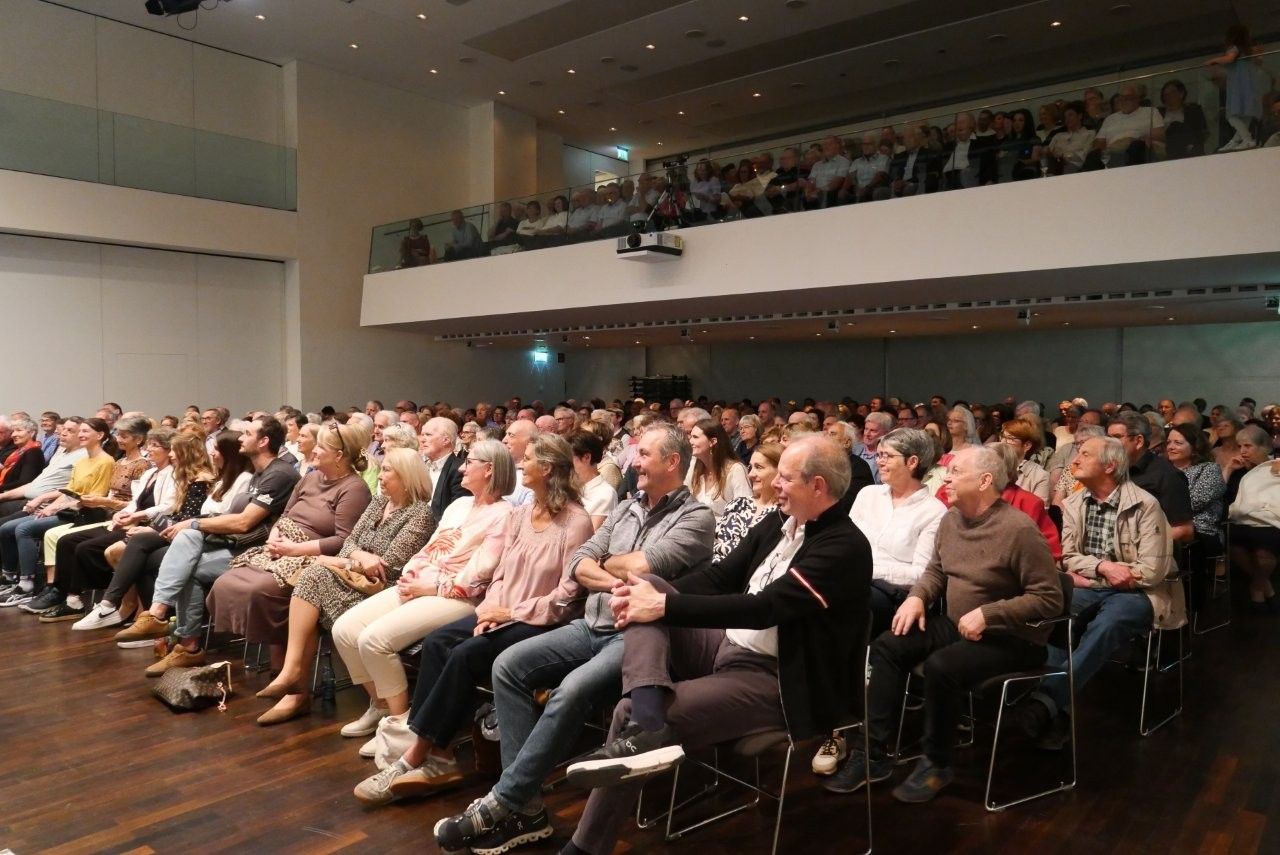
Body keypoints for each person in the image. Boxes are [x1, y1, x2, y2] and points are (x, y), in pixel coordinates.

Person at [558, 436, 870, 855]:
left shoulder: (844, 546)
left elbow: (764, 609)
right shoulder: (779, 522)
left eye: (785, 477)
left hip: (776, 680)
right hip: (725, 646)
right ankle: (651, 724)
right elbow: (720, 578)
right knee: (645, 585)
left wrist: (664, 606)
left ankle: (585, 845)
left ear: (818, 486)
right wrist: (655, 600)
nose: (774, 483)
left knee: (626, 707)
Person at [432, 423, 714, 854]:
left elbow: (645, 565)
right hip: (591, 624)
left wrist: (610, 564)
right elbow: (580, 562)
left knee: (570, 691)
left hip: (638, 637)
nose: (633, 462)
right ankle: (526, 809)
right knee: (507, 666)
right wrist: (614, 574)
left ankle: (503, 803)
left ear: (673, 462)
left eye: (644, 455)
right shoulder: (626, 507)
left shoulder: (696, 517)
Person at [352, 434, 594, 804]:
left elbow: (567, 597)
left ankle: (415, 756)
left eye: (526, 459)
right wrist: (487, 612)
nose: (519, 465)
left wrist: (509, 613)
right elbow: (499, 576)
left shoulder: (575, 522)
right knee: (438, 642)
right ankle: (443, 754)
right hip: (499, 610)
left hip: (540, 620)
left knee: (465, 655)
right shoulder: (521, 514)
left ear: (546, 469)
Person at [824, 446, 1061, 801]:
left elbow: (1050, 598)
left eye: (954, 473)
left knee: (941, 667)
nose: (945, 478)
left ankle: (936, 763)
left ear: (984, 481)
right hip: (958, 624)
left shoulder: (1018, 529)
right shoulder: (952, 519)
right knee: (888, 647)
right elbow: (936, 569)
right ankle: (871, 754)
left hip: (1013, 638)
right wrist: (918, 596)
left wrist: (989, 614)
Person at [331, 440, 513, 755]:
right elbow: (429, 548)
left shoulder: (506, 514)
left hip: (457, 597)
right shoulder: (458, 506)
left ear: (490, 469)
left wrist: (431, 587)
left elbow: (480, 573)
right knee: (345, 630)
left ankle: (399, 726)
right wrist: (411, 574)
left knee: (374, 640)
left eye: (469, 462)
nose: (460, 468)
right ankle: (382, 707)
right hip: (422, 584)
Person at [1014, 436, 1182, 748]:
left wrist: (1091, 574)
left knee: (1108, 624)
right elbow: (1067, 557)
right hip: (1096, 584)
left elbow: (1151, 571)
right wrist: (1104, 568)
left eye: (1085, 454)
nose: (1074, 460)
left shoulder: (1145, 505)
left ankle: (1046, 701)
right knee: (1058, 615)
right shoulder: (1075, 503)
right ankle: (1054, 711)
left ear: (1110, 465)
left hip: (1139, 593)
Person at [253, 448, 435, 726]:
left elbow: (388, 567)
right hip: (353, 578)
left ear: (407, 477)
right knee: (314, 580)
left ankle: (301, 680)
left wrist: (347, 561)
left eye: (387, 470)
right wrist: (359, 556)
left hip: (384, 590)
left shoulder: (420, 514)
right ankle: (371, 701)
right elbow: (349, 543)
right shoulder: (378, 502)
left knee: (314, 577)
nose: (380, 475)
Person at [203, 423, 374, 715]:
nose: (314, 450)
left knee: (262, 590)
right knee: (228, 580)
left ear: (340, 454)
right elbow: (285, 515)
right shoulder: (310, 477)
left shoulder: (354, 488)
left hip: (315, 556)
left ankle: (290, 681)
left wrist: (293, 549)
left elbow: (344, 541)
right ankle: (281, 672)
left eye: (322, 446)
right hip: (282, 548)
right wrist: (275, 537)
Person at [111, 417, 301, 672]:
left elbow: (244, 523)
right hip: (236, 543)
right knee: (186, 540)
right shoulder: (260, 473)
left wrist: (195, 523)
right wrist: (193, 525)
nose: (241, 438)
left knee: (187, 554)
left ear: (264, 441)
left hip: (258, 550)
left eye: (247, 434)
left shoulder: (278, 474)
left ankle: (184, 643)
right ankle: (160, 617)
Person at [811, 428, 947, 777]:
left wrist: (863, 566)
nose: (878, 460)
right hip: (853, 587)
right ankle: (817, 712)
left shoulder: (934, 511)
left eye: (887, 455)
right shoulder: (868, 495)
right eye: (880, 453)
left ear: (913, 462)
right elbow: (844, 542)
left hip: (896, 600)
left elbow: (920, 573)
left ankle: (839, 729)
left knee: (840, 615)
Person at [35, 430, 210, 623]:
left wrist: (145, 523)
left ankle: (121, 607)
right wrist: (124, 514)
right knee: (69, 541)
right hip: (152, 524)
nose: (168, 454)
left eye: (158, 447)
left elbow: (175, 512)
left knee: (114, 550)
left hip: (165, 528)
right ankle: (81, 599)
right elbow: (139, 502)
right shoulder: (155, 472)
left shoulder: (189, 478)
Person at [0, 418, 117, 607]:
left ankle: (29, 584)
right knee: (11, 527)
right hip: (69, 510)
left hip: (87, 514)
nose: (80, 435)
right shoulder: (83, 461)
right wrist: (50, 506)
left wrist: (56, 507)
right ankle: (18, 579)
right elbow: (68, 490)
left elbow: (94, 497)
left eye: (84, 431)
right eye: (80, 432)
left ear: (100, 435)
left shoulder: (105, 462)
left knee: (24, 529)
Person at [1106, 411, 1194, 544]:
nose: (1109, 444)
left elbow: (1184, 530)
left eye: (1116, 437)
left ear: (1138, 441)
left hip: (1148, 556)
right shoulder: (1111, 470)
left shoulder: (1166, 475)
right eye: (1108, 438)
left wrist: (1138, 545)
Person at [1224, 425, 1280, 608]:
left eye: (1248, 446)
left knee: (1266, 545)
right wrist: (1228, 469)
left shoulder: (1275, 467)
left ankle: (1257, 586)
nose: (1243, 451)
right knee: (1232, 538)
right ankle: (1265, 585)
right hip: (1240, 519)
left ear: (1263, 447)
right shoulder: (1238, 472)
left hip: (1270, 520)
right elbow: (1219, 495)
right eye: (1240, 447)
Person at [1205, 25, 1263, 151]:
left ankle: (1247, 139)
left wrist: (1213, 60)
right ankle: (1236, 140)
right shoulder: (1248, 51)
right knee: (1246, 114)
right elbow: (1259, 61)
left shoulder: (1234, 48)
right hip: (1248, 86)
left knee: (1232, 116)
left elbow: (1229, 58)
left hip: (1238, 86)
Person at [685, 419, 751, 518]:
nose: (690, 441)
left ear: (712, 441)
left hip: (725, 531)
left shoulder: (736, 470)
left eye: (695, 437)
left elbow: (744, 511)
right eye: (690, 436)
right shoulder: (693, 465)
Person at [569, 429, 617, 530]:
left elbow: (590, 538)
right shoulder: (568, 486)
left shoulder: (605, 494)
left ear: (586, 457)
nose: (565, 465)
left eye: (569, 459)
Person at [998, 418, 1051, 507]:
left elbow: (1038, 513)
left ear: (1027, 445)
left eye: (1010, 438)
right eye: (1002, 436)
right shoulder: (992, 465)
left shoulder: (1039, 476)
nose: (1003, 442)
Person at [1158, 79, 1209, 159]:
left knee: (1176, 126)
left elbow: (1201, 132)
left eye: (1172, 92)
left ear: (1181, 94)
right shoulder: (1158, 113)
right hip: (1165, 146)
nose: (1168, 96)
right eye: (1165, 94)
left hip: (1188, 147)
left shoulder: (1193, 110)